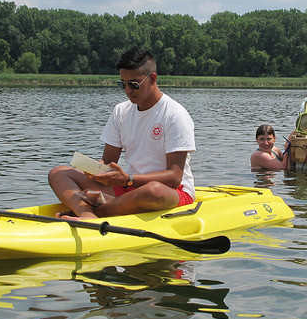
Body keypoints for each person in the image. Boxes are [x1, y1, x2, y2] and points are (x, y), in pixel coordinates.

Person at [48, 47, 196, 219]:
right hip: (129, 186)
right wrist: (98, 170)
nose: (128, 90)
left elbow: (174, 177)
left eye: (134, 84)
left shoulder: (174, 114)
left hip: (170, 191)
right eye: (122, 84)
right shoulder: (121, 111)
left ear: (152, 79)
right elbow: (110, 162)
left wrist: (129, 179)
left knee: (152, 190)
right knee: (58, 173)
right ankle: (87, 214)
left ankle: (98, 209)